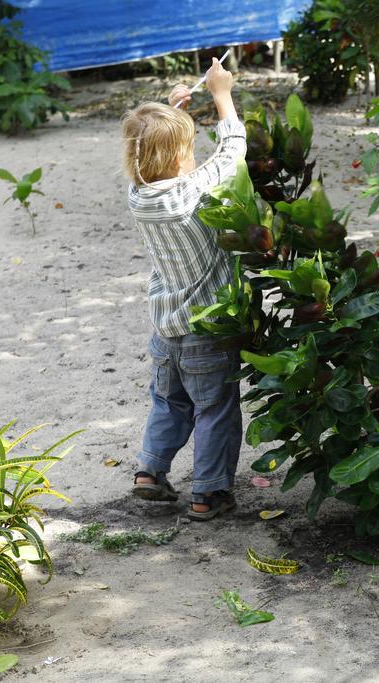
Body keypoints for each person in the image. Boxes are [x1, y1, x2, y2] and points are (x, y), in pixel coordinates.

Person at [119, 57, 246, 521]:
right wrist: (221, 94)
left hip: (165, 327)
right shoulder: (191, 190)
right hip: (207, 329)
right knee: (214, 409)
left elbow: (155, 152)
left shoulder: (139, 195)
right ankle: (208, 494)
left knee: (168, 401)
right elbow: (232, 151)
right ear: (179, 158)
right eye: (188, 145)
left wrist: (175, 111)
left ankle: (150, 472)